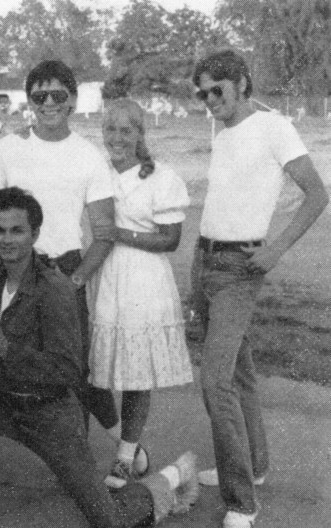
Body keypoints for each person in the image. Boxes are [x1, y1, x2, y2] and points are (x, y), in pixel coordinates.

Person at [0, 186, 200, 528]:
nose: (7, 240)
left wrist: (7, 350)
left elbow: (68, 371)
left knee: (109, 521)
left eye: (17, 230)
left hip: (46, 415)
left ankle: (173, 477)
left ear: (35, 233)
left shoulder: (54, 288)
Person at [0, 60, 146, 472]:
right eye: (39, 95)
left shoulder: (88, 156)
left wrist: (75, 281)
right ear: (29, 99)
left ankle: (82, 467)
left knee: (73, 373)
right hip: (13, 268)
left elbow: (103, 232)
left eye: (58, 95)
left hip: (63, 270)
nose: (49, 103)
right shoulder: (7, 148)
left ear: (73, 100)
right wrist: (0, 276)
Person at [190, 49, 328, 528]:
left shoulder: (273, 126)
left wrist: (278, 249)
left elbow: (317, 193)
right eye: (203, 93)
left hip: (240, 268)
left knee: (214, 382)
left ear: (242, 83)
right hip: (205, 260)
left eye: (218, 91)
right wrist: (195, 276)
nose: (210, 101)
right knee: (240, 373)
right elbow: (221, 201)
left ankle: (242, 503)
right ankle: (257, 465)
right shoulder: (224, 134)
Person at [90, 99, 194, 489]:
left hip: (143, 280)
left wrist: (121, 234)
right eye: (110, 130)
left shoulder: (161, 177)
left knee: (134, 376)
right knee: (92, 375)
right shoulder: (95, 172)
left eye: (126, 130)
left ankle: (123, 457)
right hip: (102, 275)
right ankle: (127, 445)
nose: (117, 138)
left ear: (140, 134)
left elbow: (171, 238)